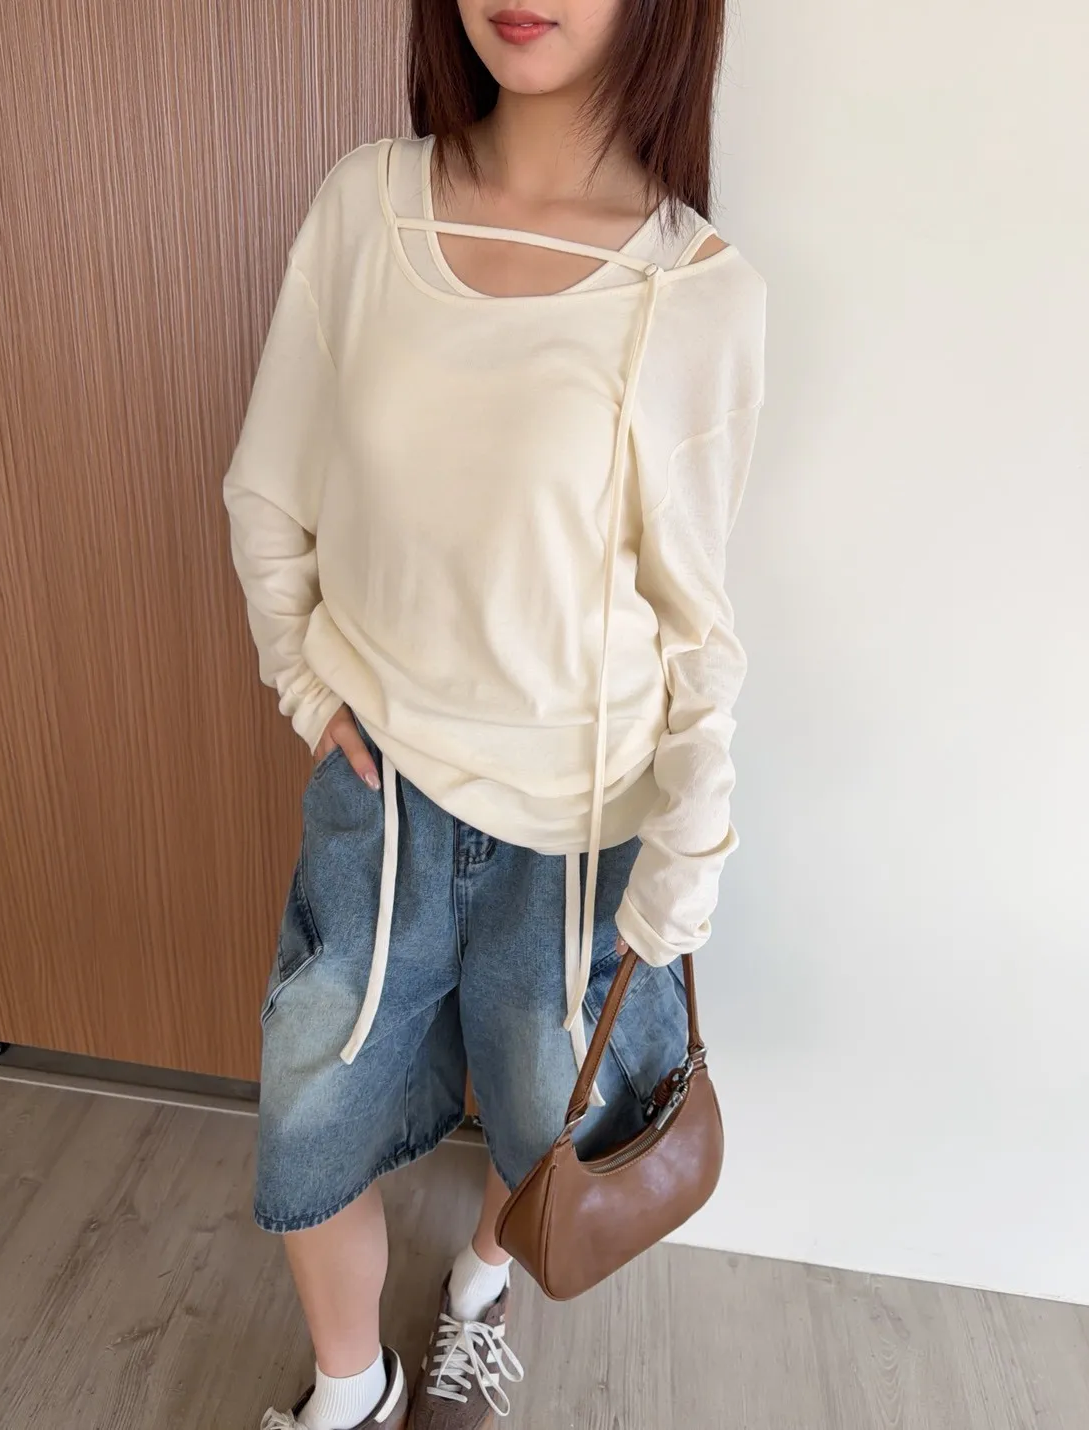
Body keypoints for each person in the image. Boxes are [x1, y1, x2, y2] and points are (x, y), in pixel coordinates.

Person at [224, 1, 764, 1426]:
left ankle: (478, 1290)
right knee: (309, 1122)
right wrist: (303, 679)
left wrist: (687, 861)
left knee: (550, 1123)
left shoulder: (694, 291)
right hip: (381, 802)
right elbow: (267, 484)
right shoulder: (367, 211)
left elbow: (698, 622)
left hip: (582, 834)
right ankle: (351, 1389)